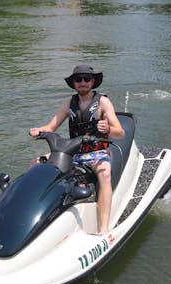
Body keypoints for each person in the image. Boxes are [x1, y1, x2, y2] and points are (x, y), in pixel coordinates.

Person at [29, 65, 124, 235]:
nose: (82, 82)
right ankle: (31, 208)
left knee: (104, 173)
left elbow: (119, 132)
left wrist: (107, 129)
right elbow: (51, 126)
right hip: (73, 150)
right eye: (78, 79)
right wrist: (38, 131)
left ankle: (104, 228)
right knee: (36, 163)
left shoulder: (103, 102)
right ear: (73, 83)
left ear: (93, 82)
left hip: (96, 151)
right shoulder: (69, 103)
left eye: (87, 79)